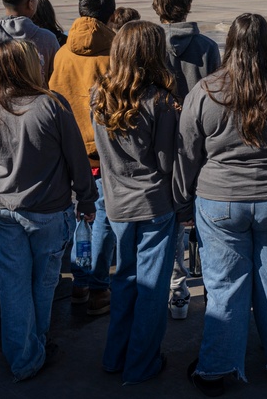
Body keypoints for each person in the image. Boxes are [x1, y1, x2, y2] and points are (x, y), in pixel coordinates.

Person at [177, 13, 267, 396]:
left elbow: (187, 152)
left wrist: (182, 200)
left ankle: (217, 367)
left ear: (228, 44)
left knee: (225, 285)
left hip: (220, 201)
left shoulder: (206, 90)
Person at [0, 39, 97, 382]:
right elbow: (77, 160)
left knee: (12, 288)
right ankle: (37, 344)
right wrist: (86, 200)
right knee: (43, 283)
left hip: (1, 209)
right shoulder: (51, 105)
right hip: (48, 213)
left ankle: (24, 356)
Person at [91, 21, 181, 385]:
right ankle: (141, 364)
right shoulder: (159, 100)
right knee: (152, 289)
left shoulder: (99, 93)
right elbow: (165, 161)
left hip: (116, 203)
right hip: (154, 204)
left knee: (125, 279)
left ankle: (115, 357)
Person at [152, 0, 221, 320]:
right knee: (204, 221)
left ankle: (176, 290)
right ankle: (212, 289)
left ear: (156, 5)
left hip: (160, 143)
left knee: (170, 222)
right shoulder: (207, 47)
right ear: (188, 4)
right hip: (201, 143)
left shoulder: (149, 46)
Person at [48, 0, 117, 316]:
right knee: (102, 218)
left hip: (68, 151)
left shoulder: (62, 53)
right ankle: (98, 287)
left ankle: (79, 281)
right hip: (102, 153)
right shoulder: (114, 54)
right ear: (112, 16)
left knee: (82, 221)